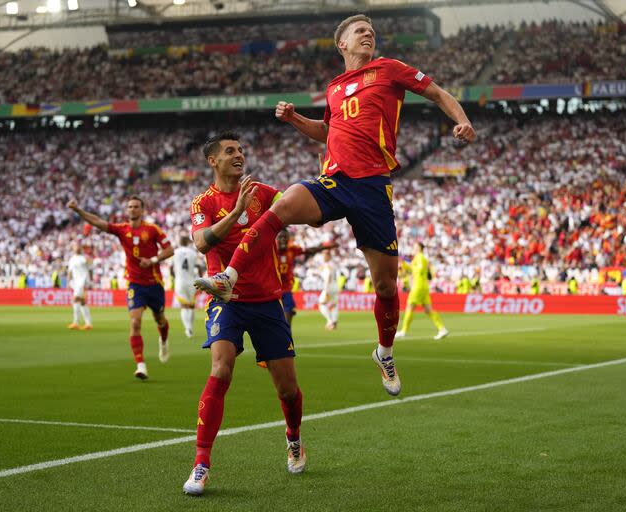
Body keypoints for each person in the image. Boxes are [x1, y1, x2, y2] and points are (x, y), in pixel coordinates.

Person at [194, 13, 475, 397]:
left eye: (371, 32)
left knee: (386, 286)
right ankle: (230, 277)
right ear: (342, 44)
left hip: (373, 186)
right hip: (335, 180)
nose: (369, 35)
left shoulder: (389, 69)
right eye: (361, 31)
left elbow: (438, 93)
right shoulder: (334, 87)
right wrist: (295, 119)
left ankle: (385, 352)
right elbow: (327, 133)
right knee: (282, 206)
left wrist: (462, 120)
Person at [183, 132, 305, 496]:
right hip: (226, 299)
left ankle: (294, 438)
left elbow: (294, 207)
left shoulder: (264, 192)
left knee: (287, 389)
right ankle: (201, 464)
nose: (240, 155)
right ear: (213, 161)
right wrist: (236, 212)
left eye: (241, 150)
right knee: (220, 370)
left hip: (268, 300)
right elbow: (203, 242)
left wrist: (317, 190)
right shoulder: (202, 202)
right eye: (231, 151)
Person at [67, 196, 174, 380]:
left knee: (160, 319)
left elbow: (169, 250)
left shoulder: (152, 229)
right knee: (135, 322)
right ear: (127, 210)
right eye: (130, 207)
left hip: (155, 283)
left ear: (142, 209)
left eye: (136, 207)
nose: (132, 209)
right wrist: (78, 211)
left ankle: (163, 340)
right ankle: (140, 365)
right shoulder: (121, 230)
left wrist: (153, 260)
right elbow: (98, 222)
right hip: (135, 283)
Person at [276, 229, 336, 326]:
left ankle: (287, 333)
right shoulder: (270, 250)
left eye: (285, 237)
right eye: (280, 237)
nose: (283, 239)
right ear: (276, 238)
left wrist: (326, 247)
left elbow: (309, 250)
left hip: (286, 288)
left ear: (288, 239)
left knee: (289, 310)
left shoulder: (292, 249)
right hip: (272, 288)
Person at [395, 242, 448, 340]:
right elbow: (411, 269)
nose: (413, 248)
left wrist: (411, 270)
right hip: (423, 286)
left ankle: (403, 330)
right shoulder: (417, 258)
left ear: (419, 248)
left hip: (418, 286)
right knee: (428, 309)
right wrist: (403, 263)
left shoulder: (420, 257)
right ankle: (442, 329)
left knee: (410, 306)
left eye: (415, 246)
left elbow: (418, 269)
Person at [172, 235, 202, 338]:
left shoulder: (175, 252)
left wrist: (173, 275)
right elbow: (198, 266)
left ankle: (187, 328)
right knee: (191, 306)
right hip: (191, 282)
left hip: (180, 281)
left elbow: (171, 267)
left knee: (184, 306)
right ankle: (190, 327)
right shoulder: (193, 253)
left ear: (180, 242)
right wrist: (201, 278)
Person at [67, 242, 93, 330]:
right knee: (82, 302)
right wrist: (68, 282)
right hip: (76, 282)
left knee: (75, 299)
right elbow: (69, 271)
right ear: (73, 248)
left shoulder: (83, 258)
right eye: (75, 246)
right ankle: (88, 323)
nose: (77, 248)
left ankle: (76, 322)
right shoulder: (72, 259)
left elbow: (90, 266)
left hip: (83, 281)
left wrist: (91, 281)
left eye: (78, 247)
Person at [318, 250, 340, 330]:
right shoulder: (333, 264)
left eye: (324, 256)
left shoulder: (327, 265)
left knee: (321, 304)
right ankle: (334, 321)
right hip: (335, 285)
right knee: (334, 304)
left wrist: (326, 289)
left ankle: (330, 321)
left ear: (328, 256)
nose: (323, 257)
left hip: (329, 286)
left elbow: (328, 276)